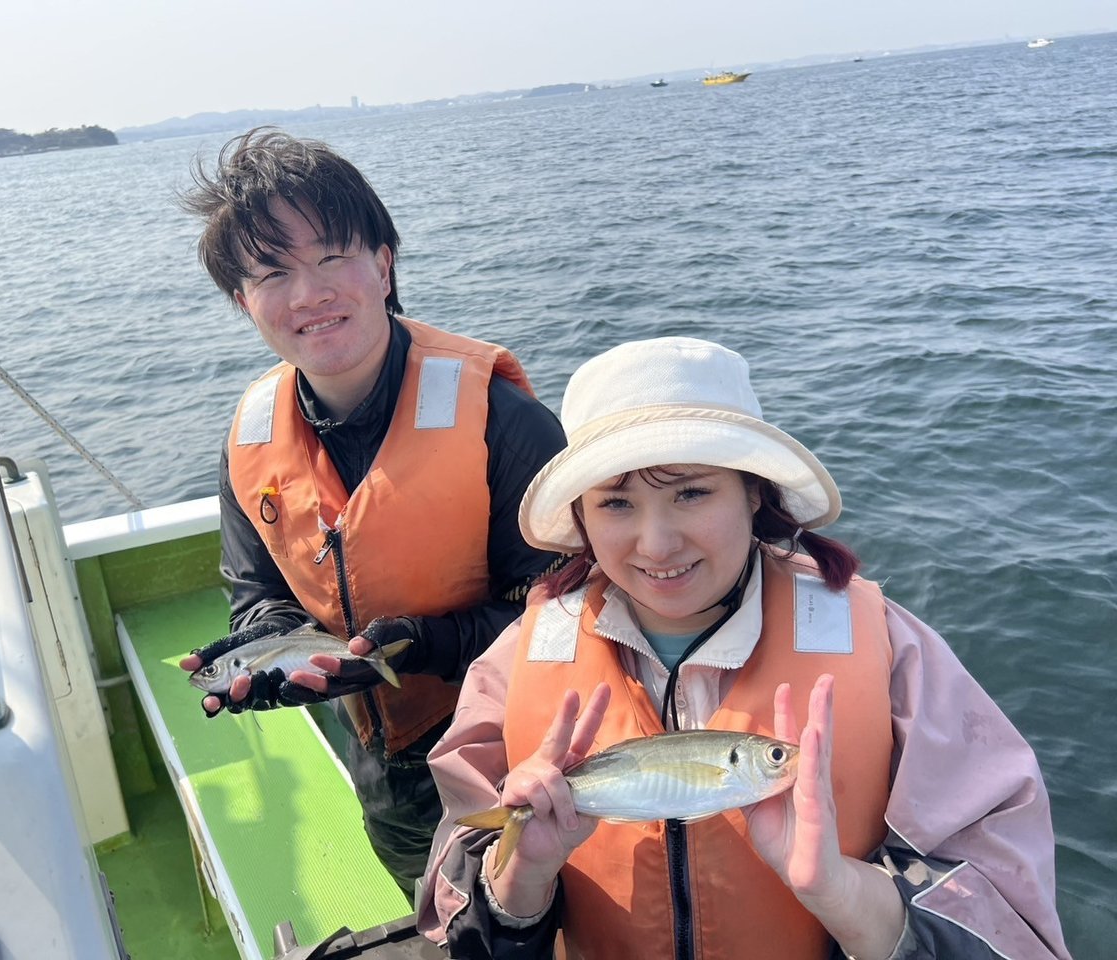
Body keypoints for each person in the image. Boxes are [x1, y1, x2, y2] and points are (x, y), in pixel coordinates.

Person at [419, 337, 1071, 959]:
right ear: (581, 518)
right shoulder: (516, 661)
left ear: (753, 491)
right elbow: (457, 909)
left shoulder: (889, 650)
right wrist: (522, 876)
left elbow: (1004, 910)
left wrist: (843, 892)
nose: (657, 544)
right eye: (616, 503)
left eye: (691, 492)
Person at [176, 128, 567, 898]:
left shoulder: (503, 420)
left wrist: (426, 643)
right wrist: (273, 650)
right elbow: (258, 592)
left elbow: (569, 614)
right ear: (243, 301)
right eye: (272, 272)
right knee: (436, 908)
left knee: (540, 912)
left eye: (332, 257)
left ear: (384, 265)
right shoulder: (250, 436)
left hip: (522, 748)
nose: (309, 294)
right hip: (383, 763)